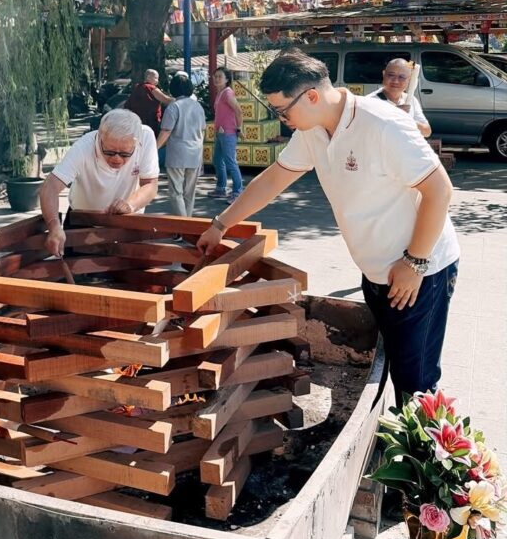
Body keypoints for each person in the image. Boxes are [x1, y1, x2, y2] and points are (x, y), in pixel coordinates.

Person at [197, 49, 459, 405]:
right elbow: (274, 179)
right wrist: (221, 224)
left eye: (282, 110)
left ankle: (427, 455)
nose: (281, 119)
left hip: (421, 271)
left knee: (417, 382)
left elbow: (439, 190)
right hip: (378, 270)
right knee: (390, 366)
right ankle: (392, 447)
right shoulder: (312, 129)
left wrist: (415, 263)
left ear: (312, 96)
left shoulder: (382, 124)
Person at [40, 108, 159, 258]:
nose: (117, 159)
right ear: (100, 136)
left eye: (125, 154)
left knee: (129, 276)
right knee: (78, 275)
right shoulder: (83, 147)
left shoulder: (146, 136)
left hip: (127, 220)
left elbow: (150, 184)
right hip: (83, 219)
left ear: (136, 142)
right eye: (109, 152)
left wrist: (130, 204)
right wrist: (54, 227)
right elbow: (50, 187)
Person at [156, 72, 206, 217]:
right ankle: (187, 223)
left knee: (175, 192)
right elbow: (202, 131)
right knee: (189, 193)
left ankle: (182, 226)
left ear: (173, 89)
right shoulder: (198, 107)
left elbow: (166, 131)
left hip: (177, 154)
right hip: (195, 153)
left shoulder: (173, 107)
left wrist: (154, 149)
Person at [367, 58, 431, 137]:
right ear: (384, 74)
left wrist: (407, 120)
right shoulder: (369, 101)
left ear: (409, 80)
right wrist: (394, 114)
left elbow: (427, 132)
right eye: (391, 75)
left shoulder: (412, 101)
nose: (396, 81)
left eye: (402, 77)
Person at [211, 67, 244, 200]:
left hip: (228, 132)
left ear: (226, 79)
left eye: (220, 76)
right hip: (221, 133)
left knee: (230, 162)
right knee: (218, 160)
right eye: (215, 76)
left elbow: (238, 111)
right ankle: (221, 188)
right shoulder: (221, 93)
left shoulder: (227, 93)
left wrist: (239, 128)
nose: (217, 79)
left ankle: (238, 191)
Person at [124, 69, 172, 136]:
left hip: (137, 122)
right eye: (156, 78)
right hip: (151, 122)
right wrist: (178, 100)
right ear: (148, 77)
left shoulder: (137, 87)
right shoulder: (150, 88)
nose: (157, 81)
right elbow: (165, 99)